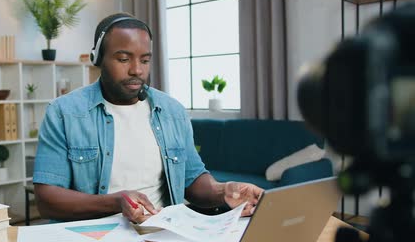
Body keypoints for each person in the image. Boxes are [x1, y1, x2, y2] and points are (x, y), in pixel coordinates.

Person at [33, 12, 263, 223]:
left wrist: (225, 191)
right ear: (98, 59)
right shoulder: (64, 112)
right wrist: (115, 202)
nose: (137, 70)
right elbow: (47, 200)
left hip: (163, 233)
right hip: (94, 237)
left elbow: (192, 181)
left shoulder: (172, 112)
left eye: (144, 60)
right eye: (123, 59)